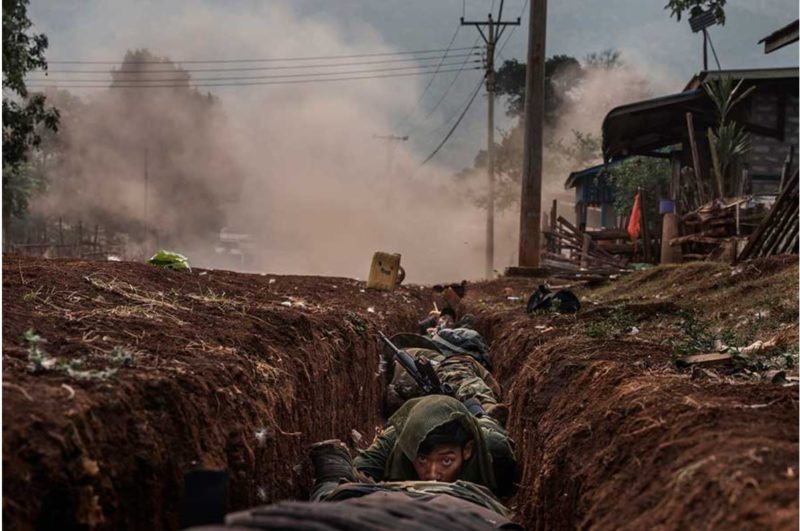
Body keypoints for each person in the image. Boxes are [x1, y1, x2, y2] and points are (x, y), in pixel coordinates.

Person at [353, 395, 517, 499]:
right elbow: (354, 475)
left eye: (446, 461)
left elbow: (507, 498)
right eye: (422, 459)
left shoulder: (494, 451)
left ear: (466, 450)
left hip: (483, 430)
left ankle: (485, 412)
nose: (432, 475)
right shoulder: (397, 440)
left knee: (486, 422)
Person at [383, 329, 508, 426]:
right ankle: (484, 409)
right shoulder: (436, 357)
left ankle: (484, 411)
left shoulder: (430, 357)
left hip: (427, 392)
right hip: (430, 392)